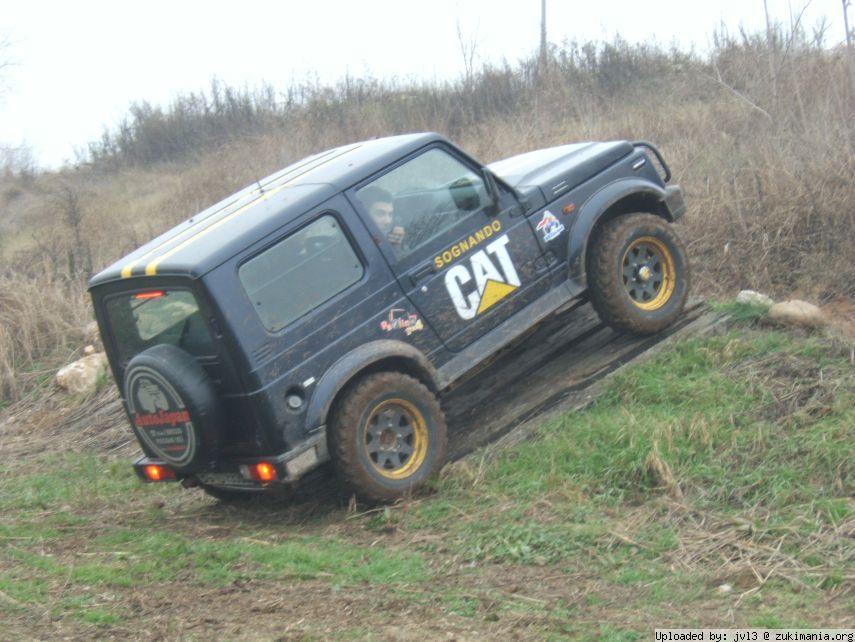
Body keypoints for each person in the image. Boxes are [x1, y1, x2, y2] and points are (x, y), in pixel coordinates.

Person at [359, 186, 405, 250]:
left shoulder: (395, 233)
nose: (388, 221)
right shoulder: (355, 248)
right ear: (364, 215)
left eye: (390, 214)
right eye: (380, 214)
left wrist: (397, 245)